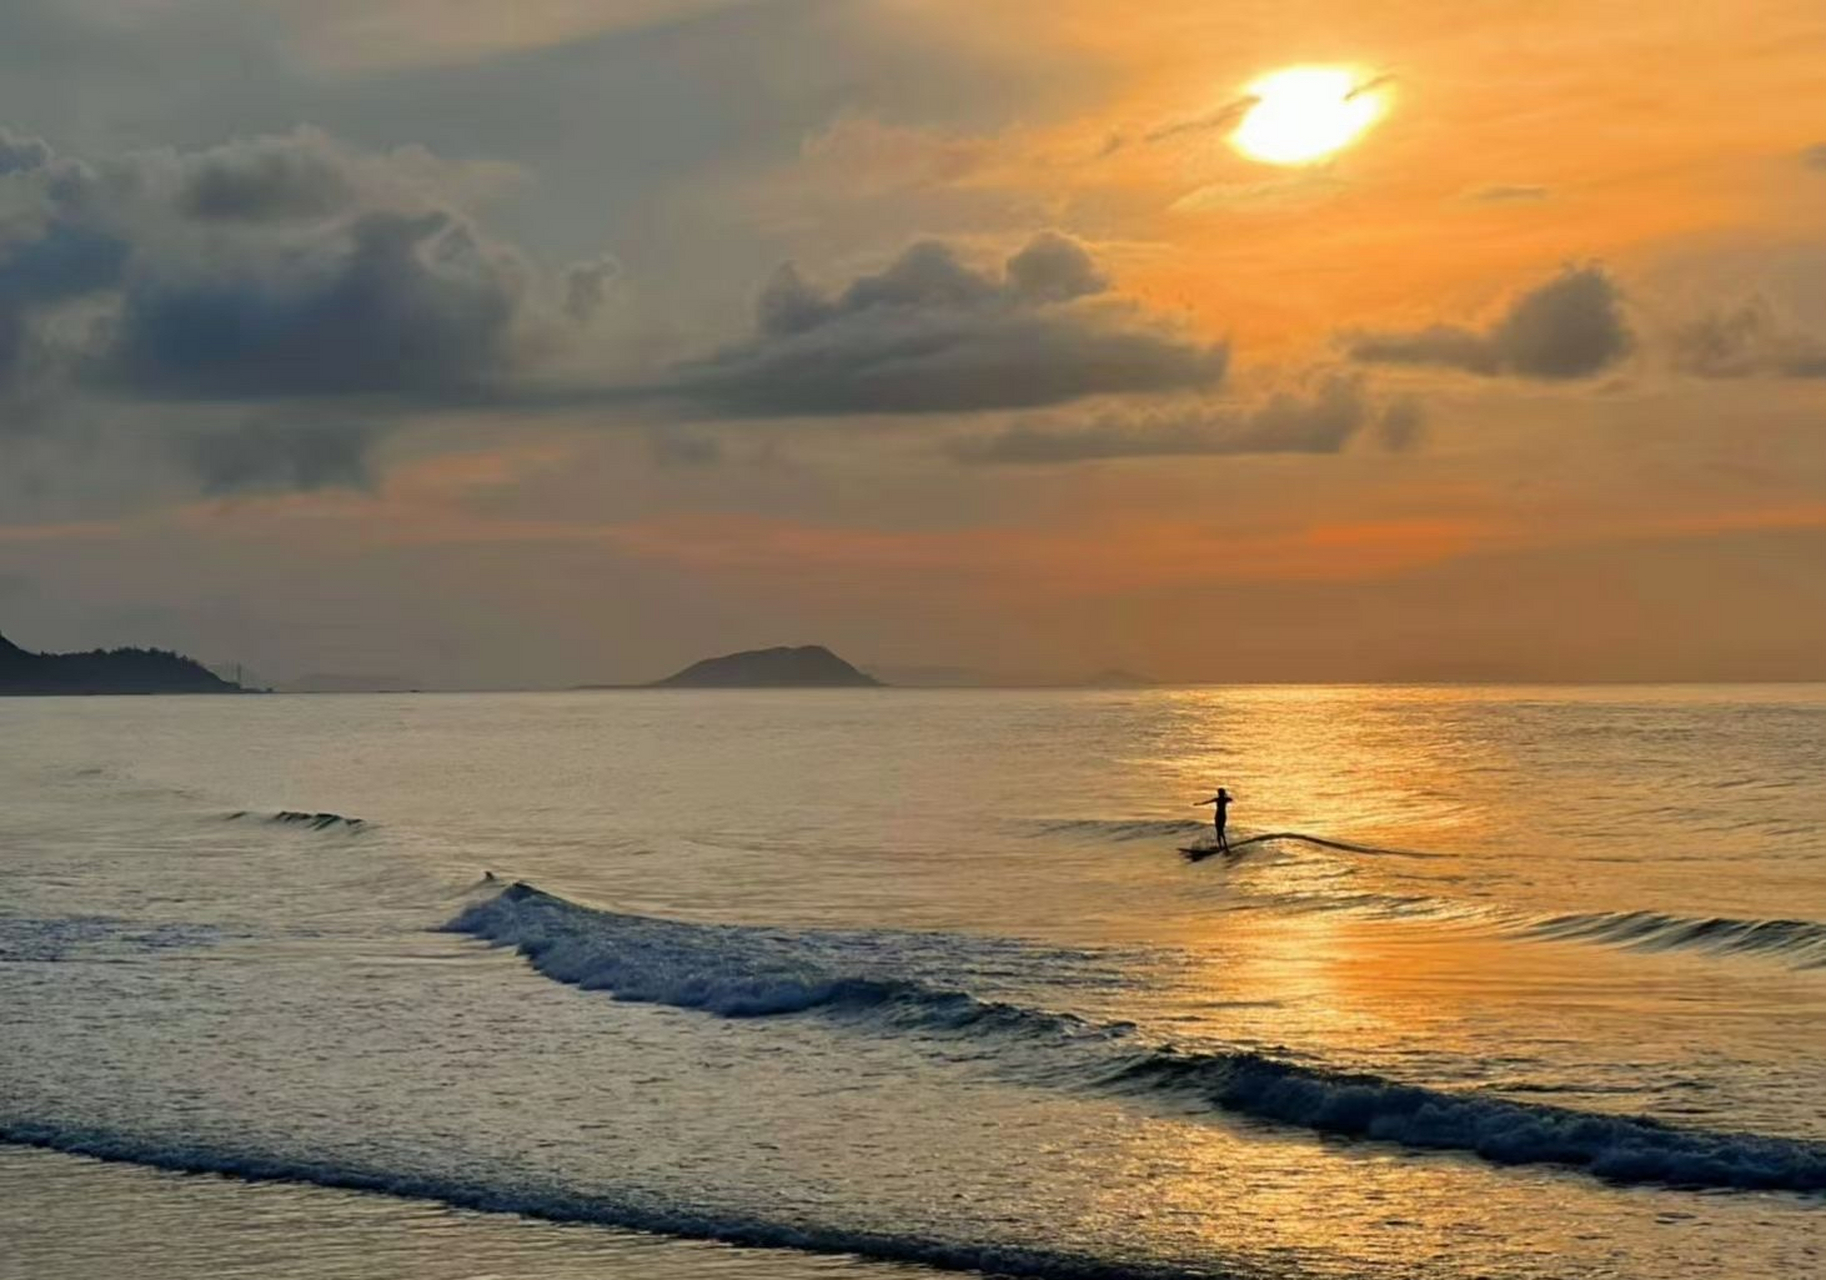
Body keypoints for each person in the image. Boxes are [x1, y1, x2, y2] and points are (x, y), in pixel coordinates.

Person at [1196, 788, 1233, 854]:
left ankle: (1225, 845)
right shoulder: (1219, 799)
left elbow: (1231, 799)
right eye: (1219, 793)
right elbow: (1207, 802)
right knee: (1218, 831)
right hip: (1217, 816)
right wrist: (1199, 804)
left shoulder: (1224, 799)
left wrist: (1225, 796)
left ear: (1222, 793)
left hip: (1222, 816)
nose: (1219, 794)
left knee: (1221, 831)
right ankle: (1221, 846)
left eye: (1220, 793)